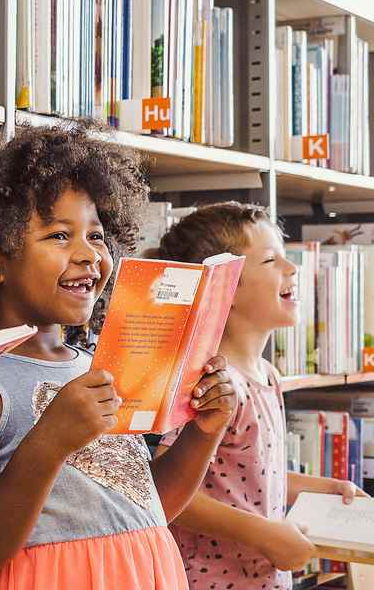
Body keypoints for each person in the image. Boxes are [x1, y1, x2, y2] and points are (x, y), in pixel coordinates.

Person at [0, 122, 236, 589]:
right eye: (59, 236)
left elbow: (149, 507)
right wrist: (51, 439)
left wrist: (204, 431)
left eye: (96, 236)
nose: (88, 255)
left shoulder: (98, 362)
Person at [154, 202, 365, 589]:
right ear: (226, 288)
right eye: (271, 261)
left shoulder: (267, 375)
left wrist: (322, 488)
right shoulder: (211, 383)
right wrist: (264, 534)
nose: (292, 269)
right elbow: (166, 490)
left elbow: (250, 472)